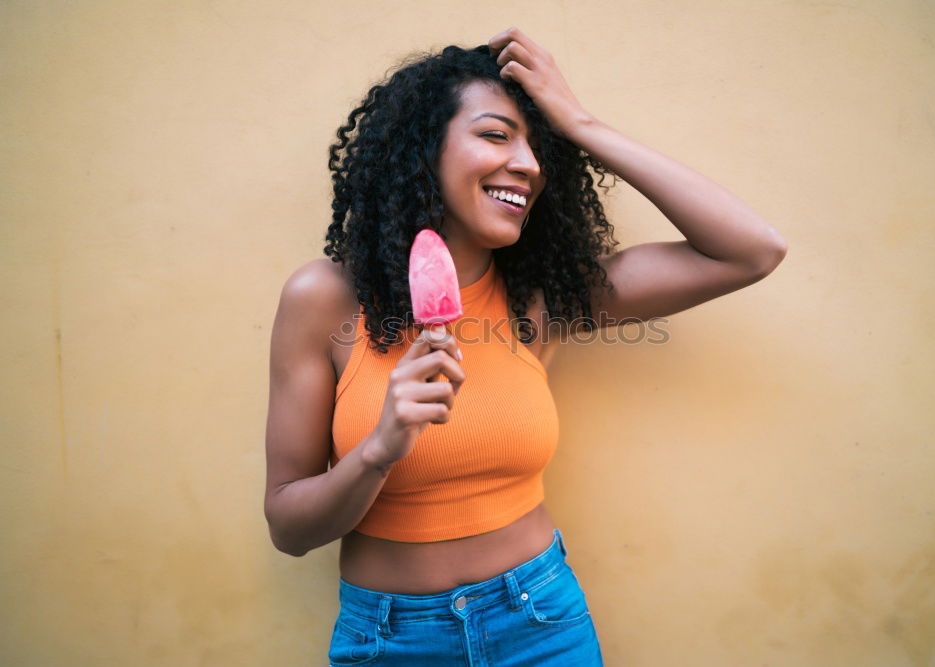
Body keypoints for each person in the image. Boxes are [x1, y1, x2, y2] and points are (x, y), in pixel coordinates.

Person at [264, 27, 787, 666]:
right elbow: (289, 529)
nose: (530, 165)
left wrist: (580, 122)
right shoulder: (325, 299)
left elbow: (751, 251)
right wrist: (379, 447)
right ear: (421, 150)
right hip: (391, 640)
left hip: (541, 622)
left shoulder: (539, 297)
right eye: (495, 134)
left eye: (540, 148)